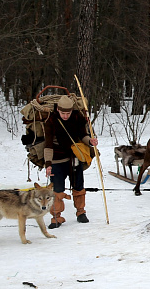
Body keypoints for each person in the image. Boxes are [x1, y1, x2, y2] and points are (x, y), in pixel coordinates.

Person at [44, 96, 98, 229]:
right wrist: (48, 164)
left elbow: (82, 135)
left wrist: (90, 141)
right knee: (57, 189)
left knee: (78, 185)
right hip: (57, 158)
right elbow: (48, 144)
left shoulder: (77, 117)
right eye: (63, 113)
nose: (66, 116)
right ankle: (56, 216)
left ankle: (81, 213)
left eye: (68, 113)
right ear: (58, 110)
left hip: (74, 157)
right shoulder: (51, 120)